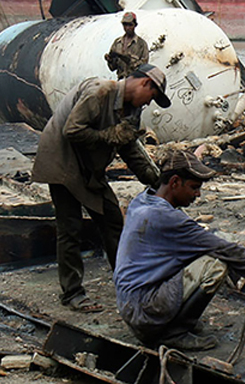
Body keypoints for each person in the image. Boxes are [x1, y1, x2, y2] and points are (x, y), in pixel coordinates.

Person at [32, 64, 171, 312]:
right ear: (145, 84)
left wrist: (157, 181)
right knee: (70, 228)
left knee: (112, 220)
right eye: (152, 96)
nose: (149, 103)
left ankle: (129, 282)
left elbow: (129, 148)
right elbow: (72, 130)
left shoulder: (130, 110)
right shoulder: (100, 92)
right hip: (62, 161)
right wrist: (110, 136)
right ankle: (72, 293)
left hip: (89, 168)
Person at [115, 150, 245, 351]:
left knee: (200, 255)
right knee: (215, 265)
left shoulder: (142, 201)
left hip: (130, 304)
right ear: (175, 182)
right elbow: (219, 247)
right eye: (194, 188)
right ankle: (173, 333)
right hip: (143, 311)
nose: (198, 194)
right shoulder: (166, 217)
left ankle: (166, 323)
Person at [105, 11, 149, 79]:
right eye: (125, 25)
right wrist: (110, 60)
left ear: (135, 25)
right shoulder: (117, 43)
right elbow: (112, 68)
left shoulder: (141, 44)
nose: (127, 28)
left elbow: (143, 66)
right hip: (121, 80)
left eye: (130, 25)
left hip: (136, 81)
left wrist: (127, 59)